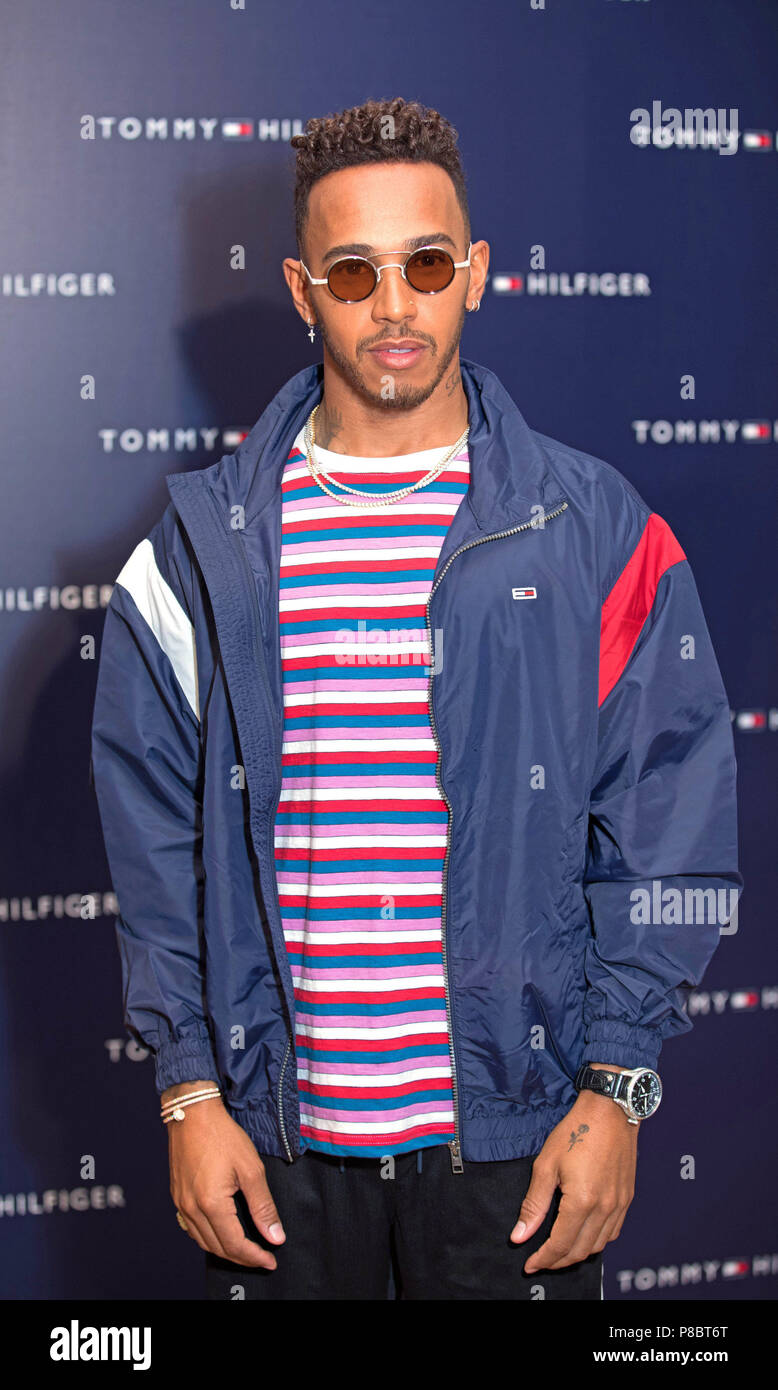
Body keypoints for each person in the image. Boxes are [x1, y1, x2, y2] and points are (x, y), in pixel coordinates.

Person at [90, 97, 742, 1301]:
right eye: (353, 272)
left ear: (475, 273)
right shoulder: (200, 550)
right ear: (301, 288)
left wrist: (617, 1085)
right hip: (277, 1146)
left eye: (426, 264)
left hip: (518, 1142)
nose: (395, 306)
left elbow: (669, 812)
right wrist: (188, 1089)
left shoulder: (592, 527)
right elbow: (152, 845)